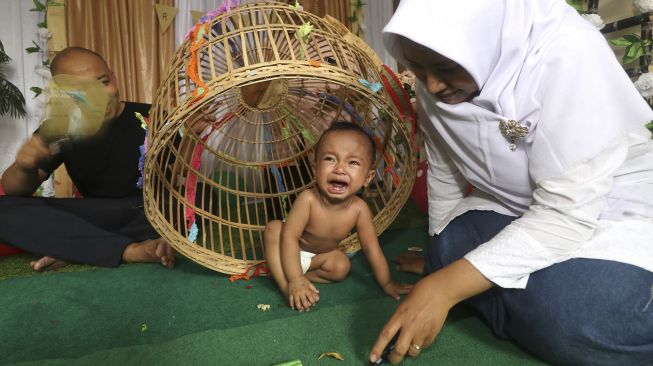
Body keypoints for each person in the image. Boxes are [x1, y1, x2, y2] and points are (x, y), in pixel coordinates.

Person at [369, 1, 653, 365]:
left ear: (488, 39)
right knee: (447, 246)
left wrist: (446, 287)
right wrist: (440, 260)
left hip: (610, 208)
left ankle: (524, 304)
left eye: (445, 68)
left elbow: (566, 215)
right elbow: (444, 169)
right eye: (417, 68)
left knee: (590, 319)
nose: (433, 85)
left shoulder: (568, 55)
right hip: (515, 207)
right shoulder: (432, 81)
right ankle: (526, 304)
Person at [0, 47, 177, 271]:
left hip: (154, 211)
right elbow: (12, 189)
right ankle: (128, 251)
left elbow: (185, 175)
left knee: (200, 199)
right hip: (100, 214)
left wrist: (191, 138)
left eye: (103, 83)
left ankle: (79, 246)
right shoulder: (60, 130)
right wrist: (26, 166)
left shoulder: (154, 117)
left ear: (114, 78)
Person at [264, 121, 413, 312]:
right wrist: (296, 279)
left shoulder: (359, 210)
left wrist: (387, 283)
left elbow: (372, 249)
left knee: (342, 266)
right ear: (315, 168)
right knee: (274, 229)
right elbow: (289, 238)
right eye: (330, 159)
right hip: (288, 250)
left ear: (368, 178)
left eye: (352, 162)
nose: (340, 169)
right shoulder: (308, 199)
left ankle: (300, 278)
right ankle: (288, 285)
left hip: (318, 258)